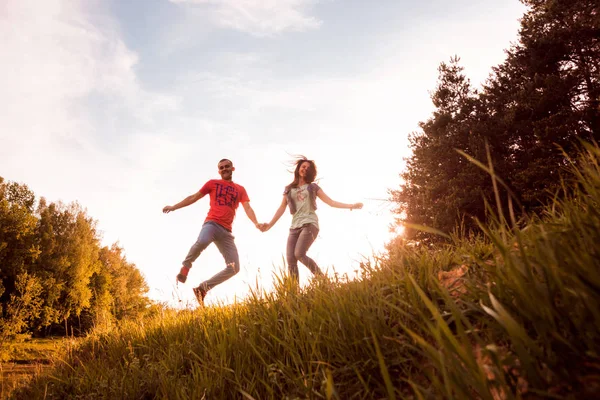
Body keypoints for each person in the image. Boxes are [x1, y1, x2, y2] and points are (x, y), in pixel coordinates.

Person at [163, 158, 261, 305]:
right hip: (212, 224)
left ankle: (203, 289)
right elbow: (194, 197)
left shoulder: (240, 189)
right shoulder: (212, 184)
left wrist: (256, 223)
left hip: (226, 233)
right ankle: (186, 267)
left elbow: (247, 207)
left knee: (234, 268)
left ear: (233, 168)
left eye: (227, 166)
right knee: (202, 241)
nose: (224, 169)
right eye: (221, 168)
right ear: (218, 171)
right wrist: (174, 207)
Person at [260, 157, 363, 281]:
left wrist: (351, 206)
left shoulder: (313, 187)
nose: (305, 169)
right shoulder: (288, 189)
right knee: (291, 260)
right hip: (294, 227)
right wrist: (269, 225)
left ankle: (323, 280)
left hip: (310, 224)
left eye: (308, 168)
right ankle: (294, 296)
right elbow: (281, 208)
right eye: (303, 167)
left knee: (299, 254)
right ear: (298, 169)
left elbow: (330, 202)